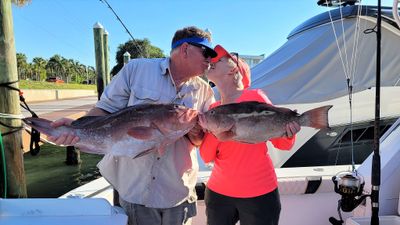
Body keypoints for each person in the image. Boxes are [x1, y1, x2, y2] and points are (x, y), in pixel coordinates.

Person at [48, 26, 217, 225]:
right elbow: (105, 109)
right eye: (206, 52)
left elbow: (199, 142)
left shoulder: (205, 91)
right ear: (185, 49)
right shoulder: (136, 69)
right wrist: (76, 127)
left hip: (177, 189)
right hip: (135, 189)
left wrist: (195, 130)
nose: (210, 59)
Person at [199, 45, 301, 225]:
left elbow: (283, 145)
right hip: (218, 193)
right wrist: (218, 132)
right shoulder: (213, 111)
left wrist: (290, 133)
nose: (212, 61)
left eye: (219, 58)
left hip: (259, 193)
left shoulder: (255, 97)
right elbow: (206, 156)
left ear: (233, 70)